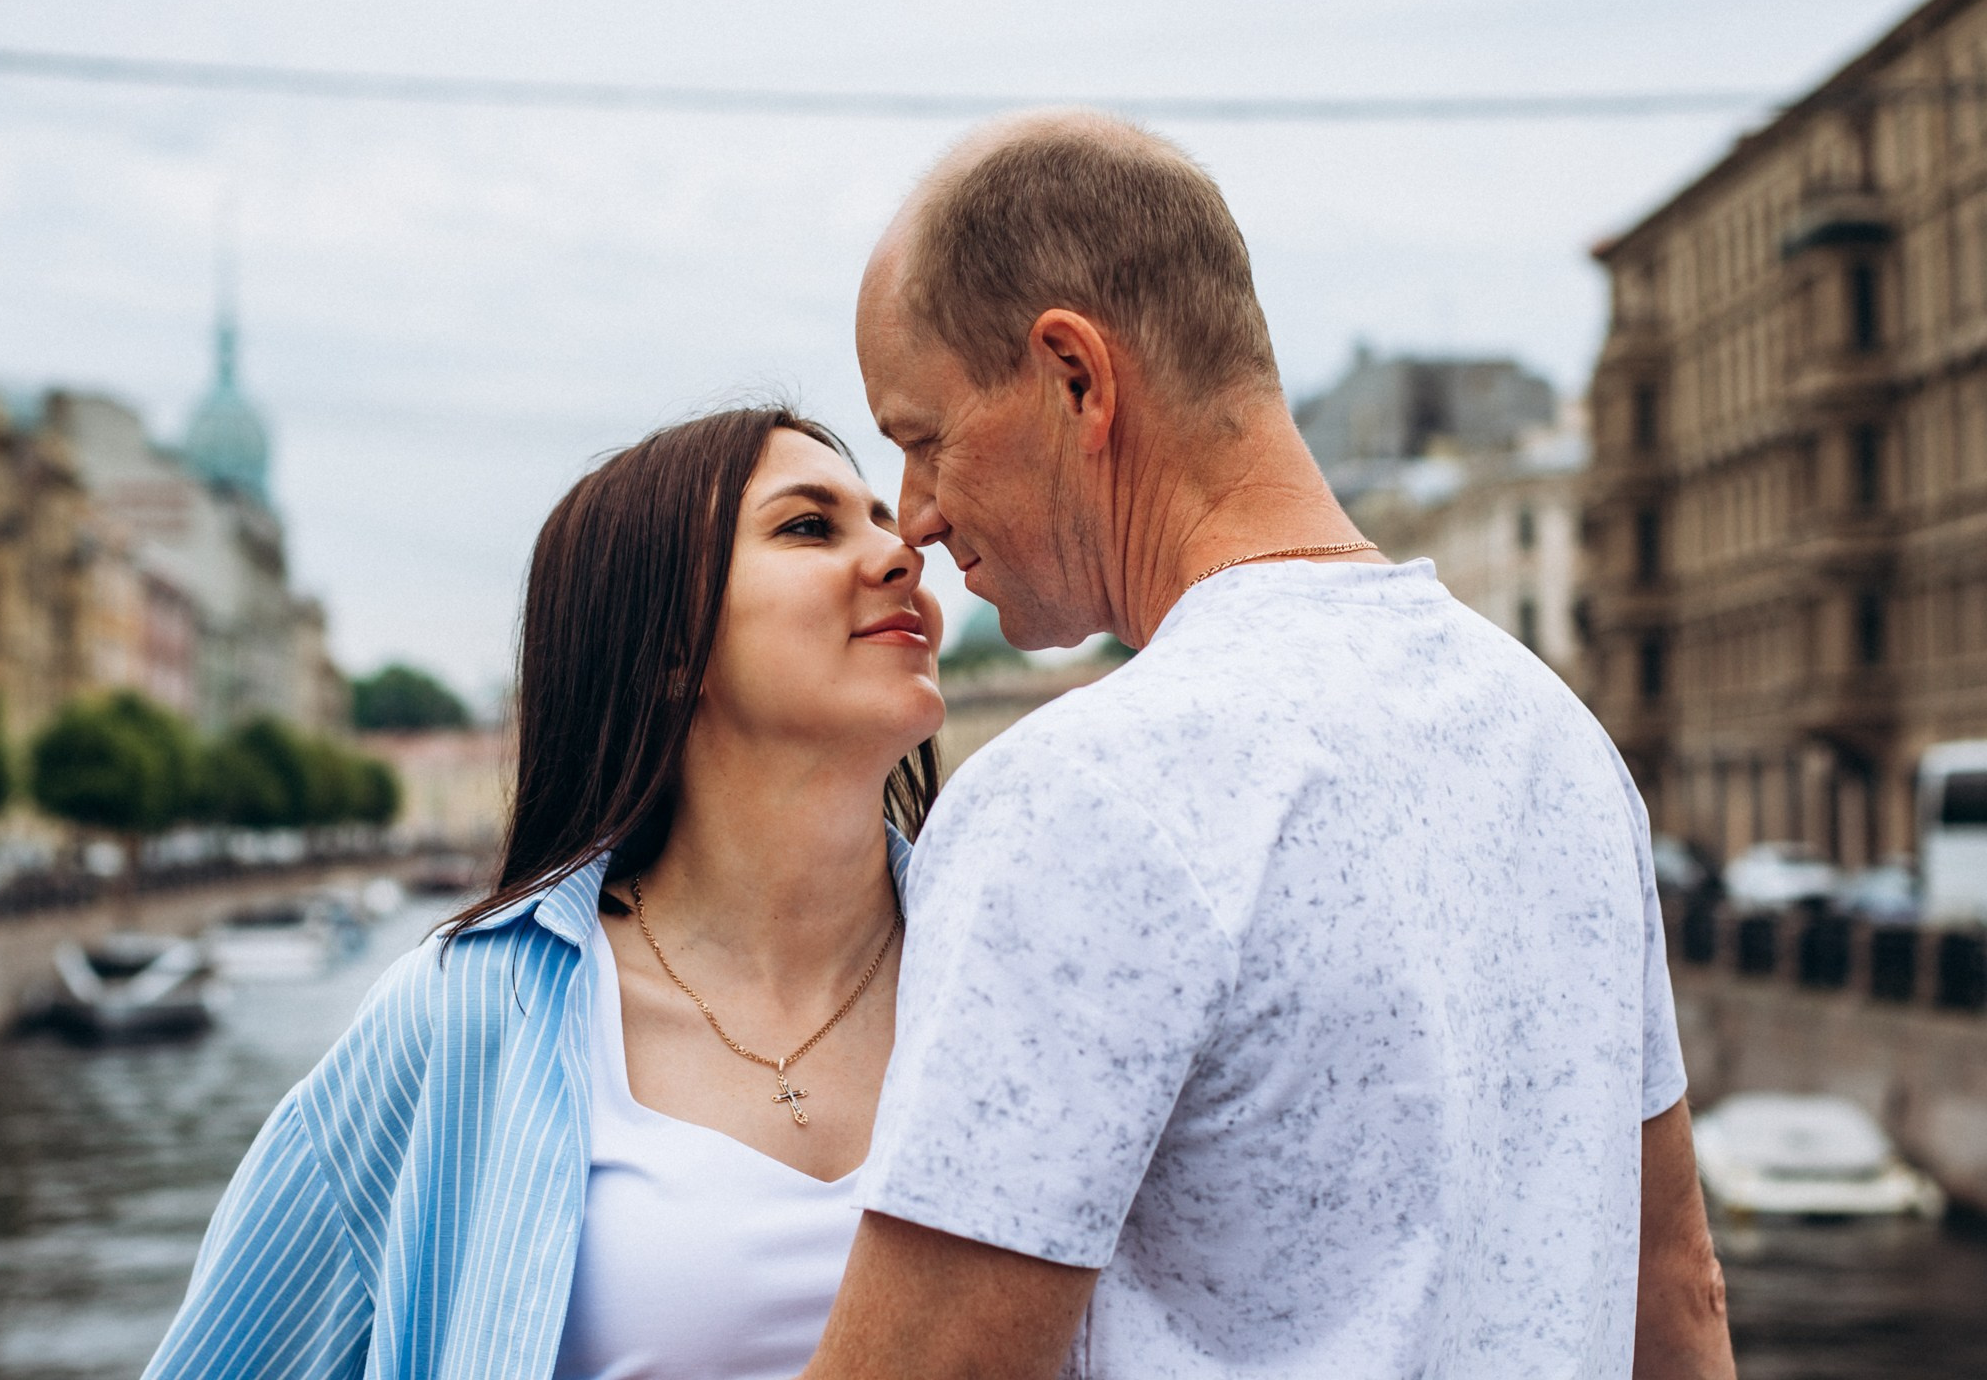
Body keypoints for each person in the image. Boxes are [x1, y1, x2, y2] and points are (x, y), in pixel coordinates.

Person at [799, 110, 1734, 1380]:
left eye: (923, 437)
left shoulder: (1078, 795)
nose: (913, 514)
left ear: (1076, 375)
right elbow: (1677, 1301)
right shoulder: (1563, 748)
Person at [142, 405, 945, 1380]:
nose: (905, 549)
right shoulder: (470, 1013)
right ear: (667, 649)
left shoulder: (1015, 970)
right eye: (808, 525)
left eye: (880, 518)